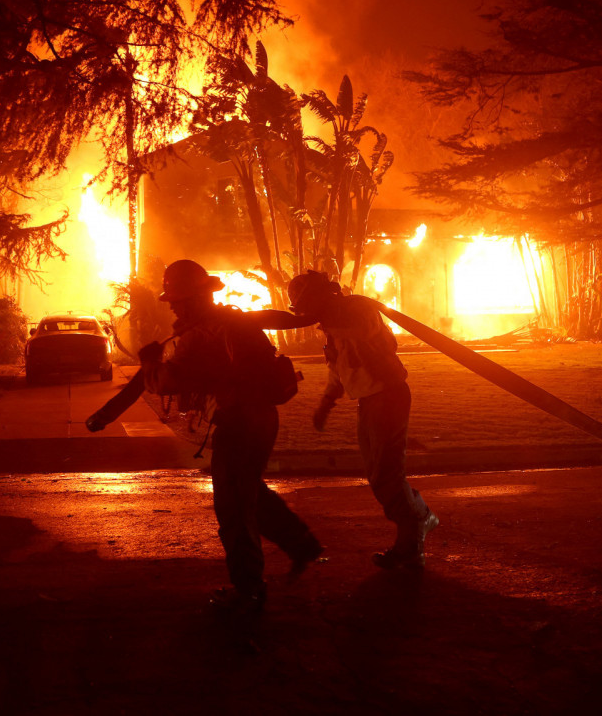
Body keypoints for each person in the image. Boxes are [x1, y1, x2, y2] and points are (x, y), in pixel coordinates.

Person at [140, 259, 324, 614]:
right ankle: (300, 544)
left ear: (195, 298)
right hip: (260, 418)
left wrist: (150, 361)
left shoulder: (201, 333)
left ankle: (248, 589)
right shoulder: (231, 320)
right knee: (249, 490)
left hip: (240, 422)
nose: (174, 306)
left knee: (233, 508)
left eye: (177, 299)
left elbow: (165, 381)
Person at [284, 270, 438, 571]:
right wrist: (326, 403)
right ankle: (419, 515)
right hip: (369, 401)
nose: (308, 314)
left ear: (319, 297)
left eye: (307, 305)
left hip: (388, 395)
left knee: (386, 475)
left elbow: (363, 331)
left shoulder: (357, 309)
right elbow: (339, 368)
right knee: (379, 475)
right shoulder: (332, 326)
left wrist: (327, 320)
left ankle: (411, 542)